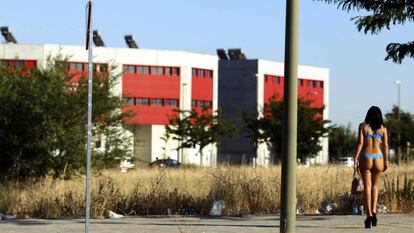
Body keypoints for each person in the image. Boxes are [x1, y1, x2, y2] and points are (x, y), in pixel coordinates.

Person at [353, 106, 389, 228]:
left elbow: (360, 143)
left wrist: (355, 157)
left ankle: (368, 215)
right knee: (375, 186)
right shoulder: (383, 128)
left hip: (366, 156)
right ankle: (374, 212)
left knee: (367, 186)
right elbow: (386, 146)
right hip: (379, 156)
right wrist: (387, 161)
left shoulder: (363, 126)